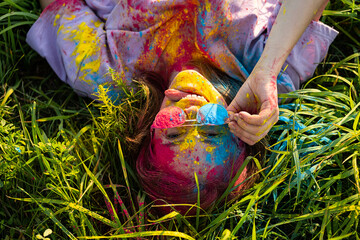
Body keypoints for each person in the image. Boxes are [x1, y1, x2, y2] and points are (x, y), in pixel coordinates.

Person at [28, 0, 337, 213]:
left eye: (174, 135)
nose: (191, 115)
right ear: (240, 132)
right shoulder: (266, 75)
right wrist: (269, 67)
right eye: (212, 134)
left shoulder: (106, 72)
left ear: (148, 133)